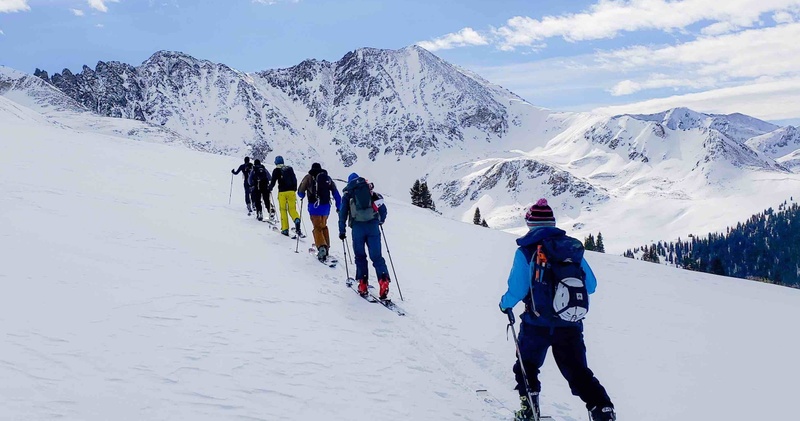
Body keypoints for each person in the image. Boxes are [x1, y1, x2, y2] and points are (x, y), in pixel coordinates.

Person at [499, 199, 615, 421]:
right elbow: (591, 285)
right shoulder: (570, 248)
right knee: (579, 373)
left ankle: (529, 411)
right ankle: (603, 410)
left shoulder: (525, 251)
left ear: (530, 224)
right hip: (570, 323)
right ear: (553, 223)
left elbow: (517, 288)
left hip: (536, 324)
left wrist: (504, 304)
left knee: (527, 367)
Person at [338, 173, 390, 299]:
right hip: (373, 226)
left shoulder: (348, 194)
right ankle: (383, 281)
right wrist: (380, 220)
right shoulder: (370, 191)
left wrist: (342, 231)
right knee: (377, 257)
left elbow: (342, 214)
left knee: (360, 257)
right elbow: (382, 209)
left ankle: (362, 284)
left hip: (357, 228)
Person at [297, 163, 342, 262]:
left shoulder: (308, 177)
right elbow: (336, 194)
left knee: (317, 228)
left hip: (314, 207)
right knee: (323, 226)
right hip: (326, 207)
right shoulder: (327, 178)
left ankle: (322, 248)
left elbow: (300, 192)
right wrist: (339, 206)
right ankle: (326, 247)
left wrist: (303, 195)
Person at [268, 155, 301, 237]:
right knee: (292, 209)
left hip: (282, 192)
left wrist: (269, 188)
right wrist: (294, 189)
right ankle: (296, 220)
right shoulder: (290, 169)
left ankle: (285, 229)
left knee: (283, 210)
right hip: (291, 192)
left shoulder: (276, 170)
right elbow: (294, 179)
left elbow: (273, 181)